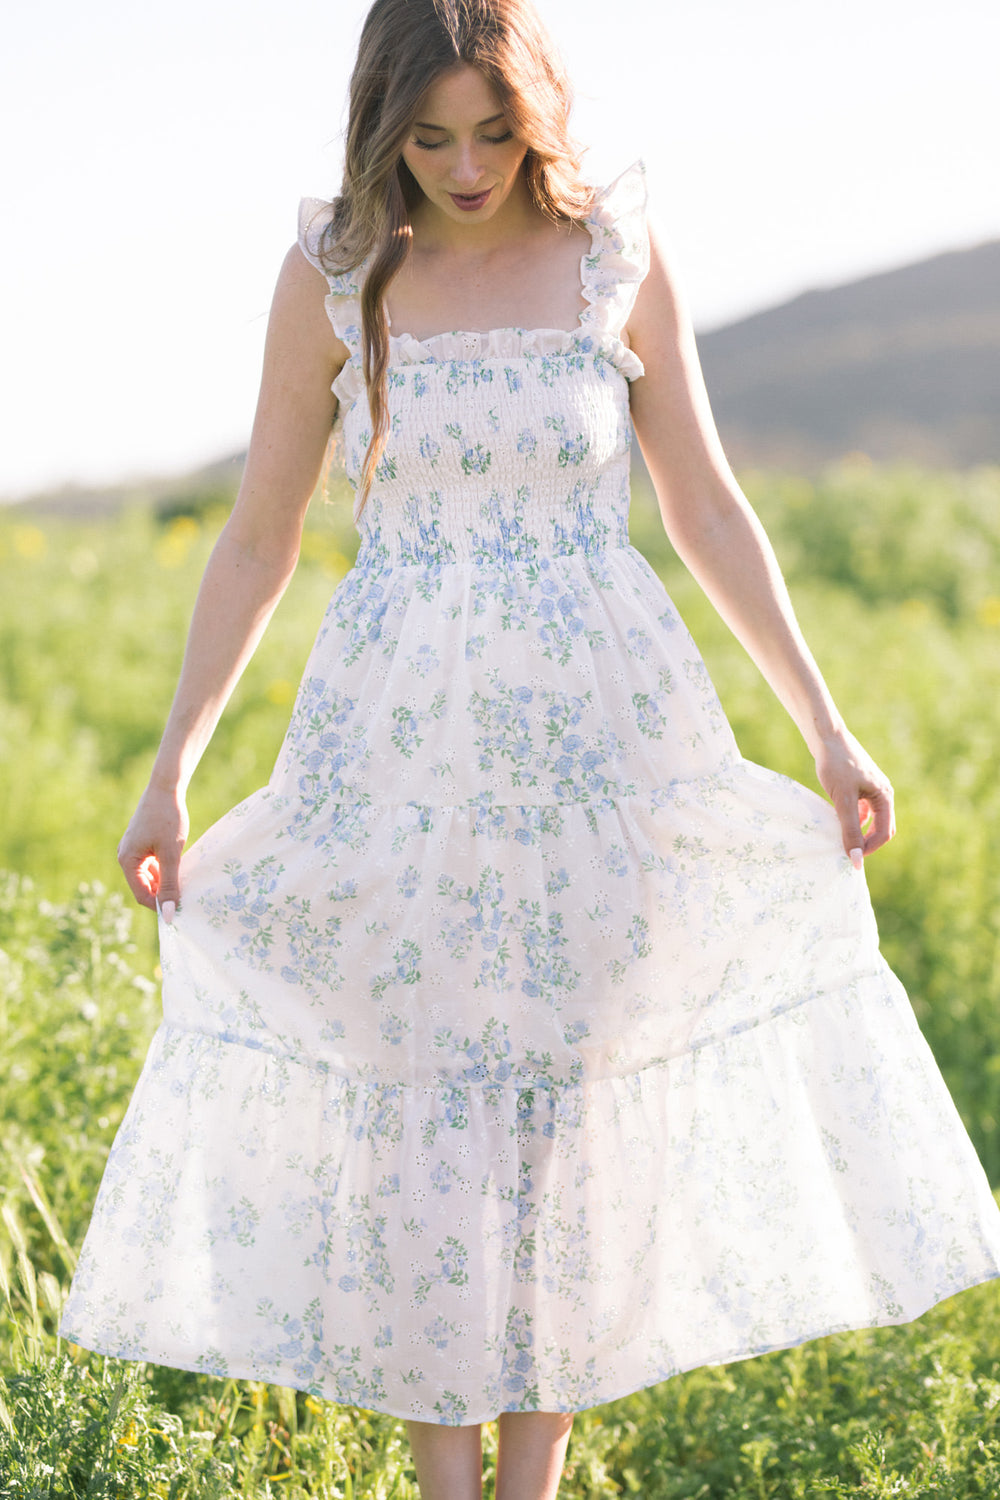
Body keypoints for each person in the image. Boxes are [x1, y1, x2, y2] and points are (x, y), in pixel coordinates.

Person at [60, 0, 1000, 1495]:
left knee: (568, 1109)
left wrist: (828, 729)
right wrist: (172, 764)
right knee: (426, 1086)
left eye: (492, 131)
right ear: (383, 128)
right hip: (403, 746)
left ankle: (533, 1480)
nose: (465, 162)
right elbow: (259, 533)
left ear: (536, 112)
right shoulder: (335, 272)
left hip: (602, 744)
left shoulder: (610, 257)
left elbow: (704, 505)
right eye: (428, 137)